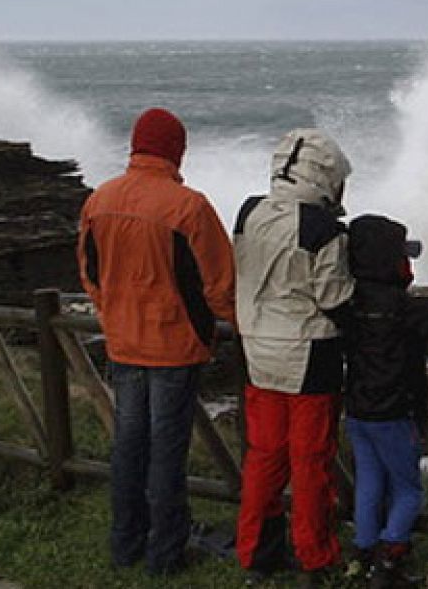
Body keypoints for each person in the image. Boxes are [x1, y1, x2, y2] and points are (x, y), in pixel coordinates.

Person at [77, 107, 237, 575]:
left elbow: (90, 274)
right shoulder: (189, 206)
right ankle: (164, 557)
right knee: (167, 453)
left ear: (136, 145)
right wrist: (242, 325)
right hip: (174, 346)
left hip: (124, 342)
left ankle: (125, 546)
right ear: (175, 149)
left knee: (128, 446)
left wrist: (112, 313)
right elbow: (220, 287)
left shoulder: (99, 201)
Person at [232, 128, 355, 587]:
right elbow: (335, 300)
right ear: (325, 177)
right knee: (310, 461)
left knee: (264, 457)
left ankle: (257, 555)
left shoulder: (249, 212)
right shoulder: (323, 229)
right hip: (310, 354)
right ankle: (313, 557)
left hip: (256, 351)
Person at [340, 214, 428, 588]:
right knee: (408, 490)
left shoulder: (347, 301)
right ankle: (389, 563)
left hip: (358, 410)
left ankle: (362, 553)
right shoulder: (402, 306)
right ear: (391, 261)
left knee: (369, 484)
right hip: (393, 413)